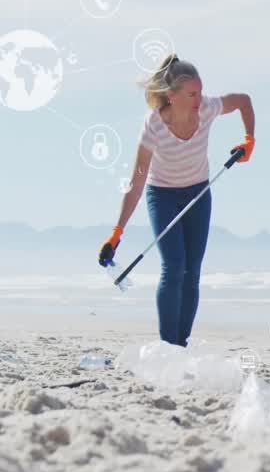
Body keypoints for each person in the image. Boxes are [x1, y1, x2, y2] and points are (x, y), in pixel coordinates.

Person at [97, 54, 255, 347]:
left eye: (200, 91)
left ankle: (180, 345)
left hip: (198, 193)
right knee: (174, 266)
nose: (199, 98)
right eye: (192, 93)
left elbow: (244, 101)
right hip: (163, 196)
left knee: (192, 271)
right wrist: (117, 231)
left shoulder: (207, 109)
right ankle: (167, 345)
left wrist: (249, 140)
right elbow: (137, 181)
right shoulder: (153, 126)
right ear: (171, 96)